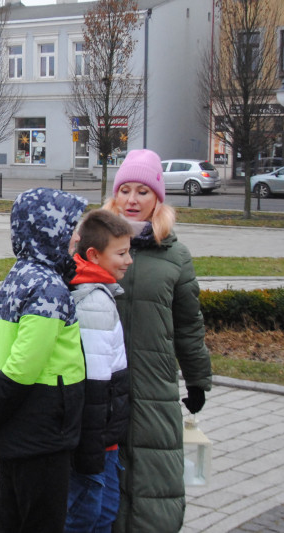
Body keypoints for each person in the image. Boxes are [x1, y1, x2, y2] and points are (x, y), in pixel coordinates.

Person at [0, 187, 88, 533]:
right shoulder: (49, 288)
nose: (77, 236)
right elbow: (22, 367)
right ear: (49, 230)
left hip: (16, 424)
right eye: (71, 227)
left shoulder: (18, 276)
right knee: (40, 521)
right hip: (43, 425)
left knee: (10, 516)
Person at [101, 149, 212, 532]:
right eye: (125, 190)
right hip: (100, 384)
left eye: (143, 192)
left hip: (154, 385)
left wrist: (198, 379)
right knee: (101, 488)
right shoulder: (93, 247)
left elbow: (188, 324)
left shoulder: (175, 255)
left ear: (158, 198)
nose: (132, 200)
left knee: (154, 482)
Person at [66, 210, 133, 533]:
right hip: (96, 443)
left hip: (103, 438)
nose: (129, 260)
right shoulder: (93, 304)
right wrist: (94, 453)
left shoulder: (99, 295)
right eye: (121, 253)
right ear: (94, 254)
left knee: (102, 514)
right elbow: (92, 388)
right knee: (88, 518)